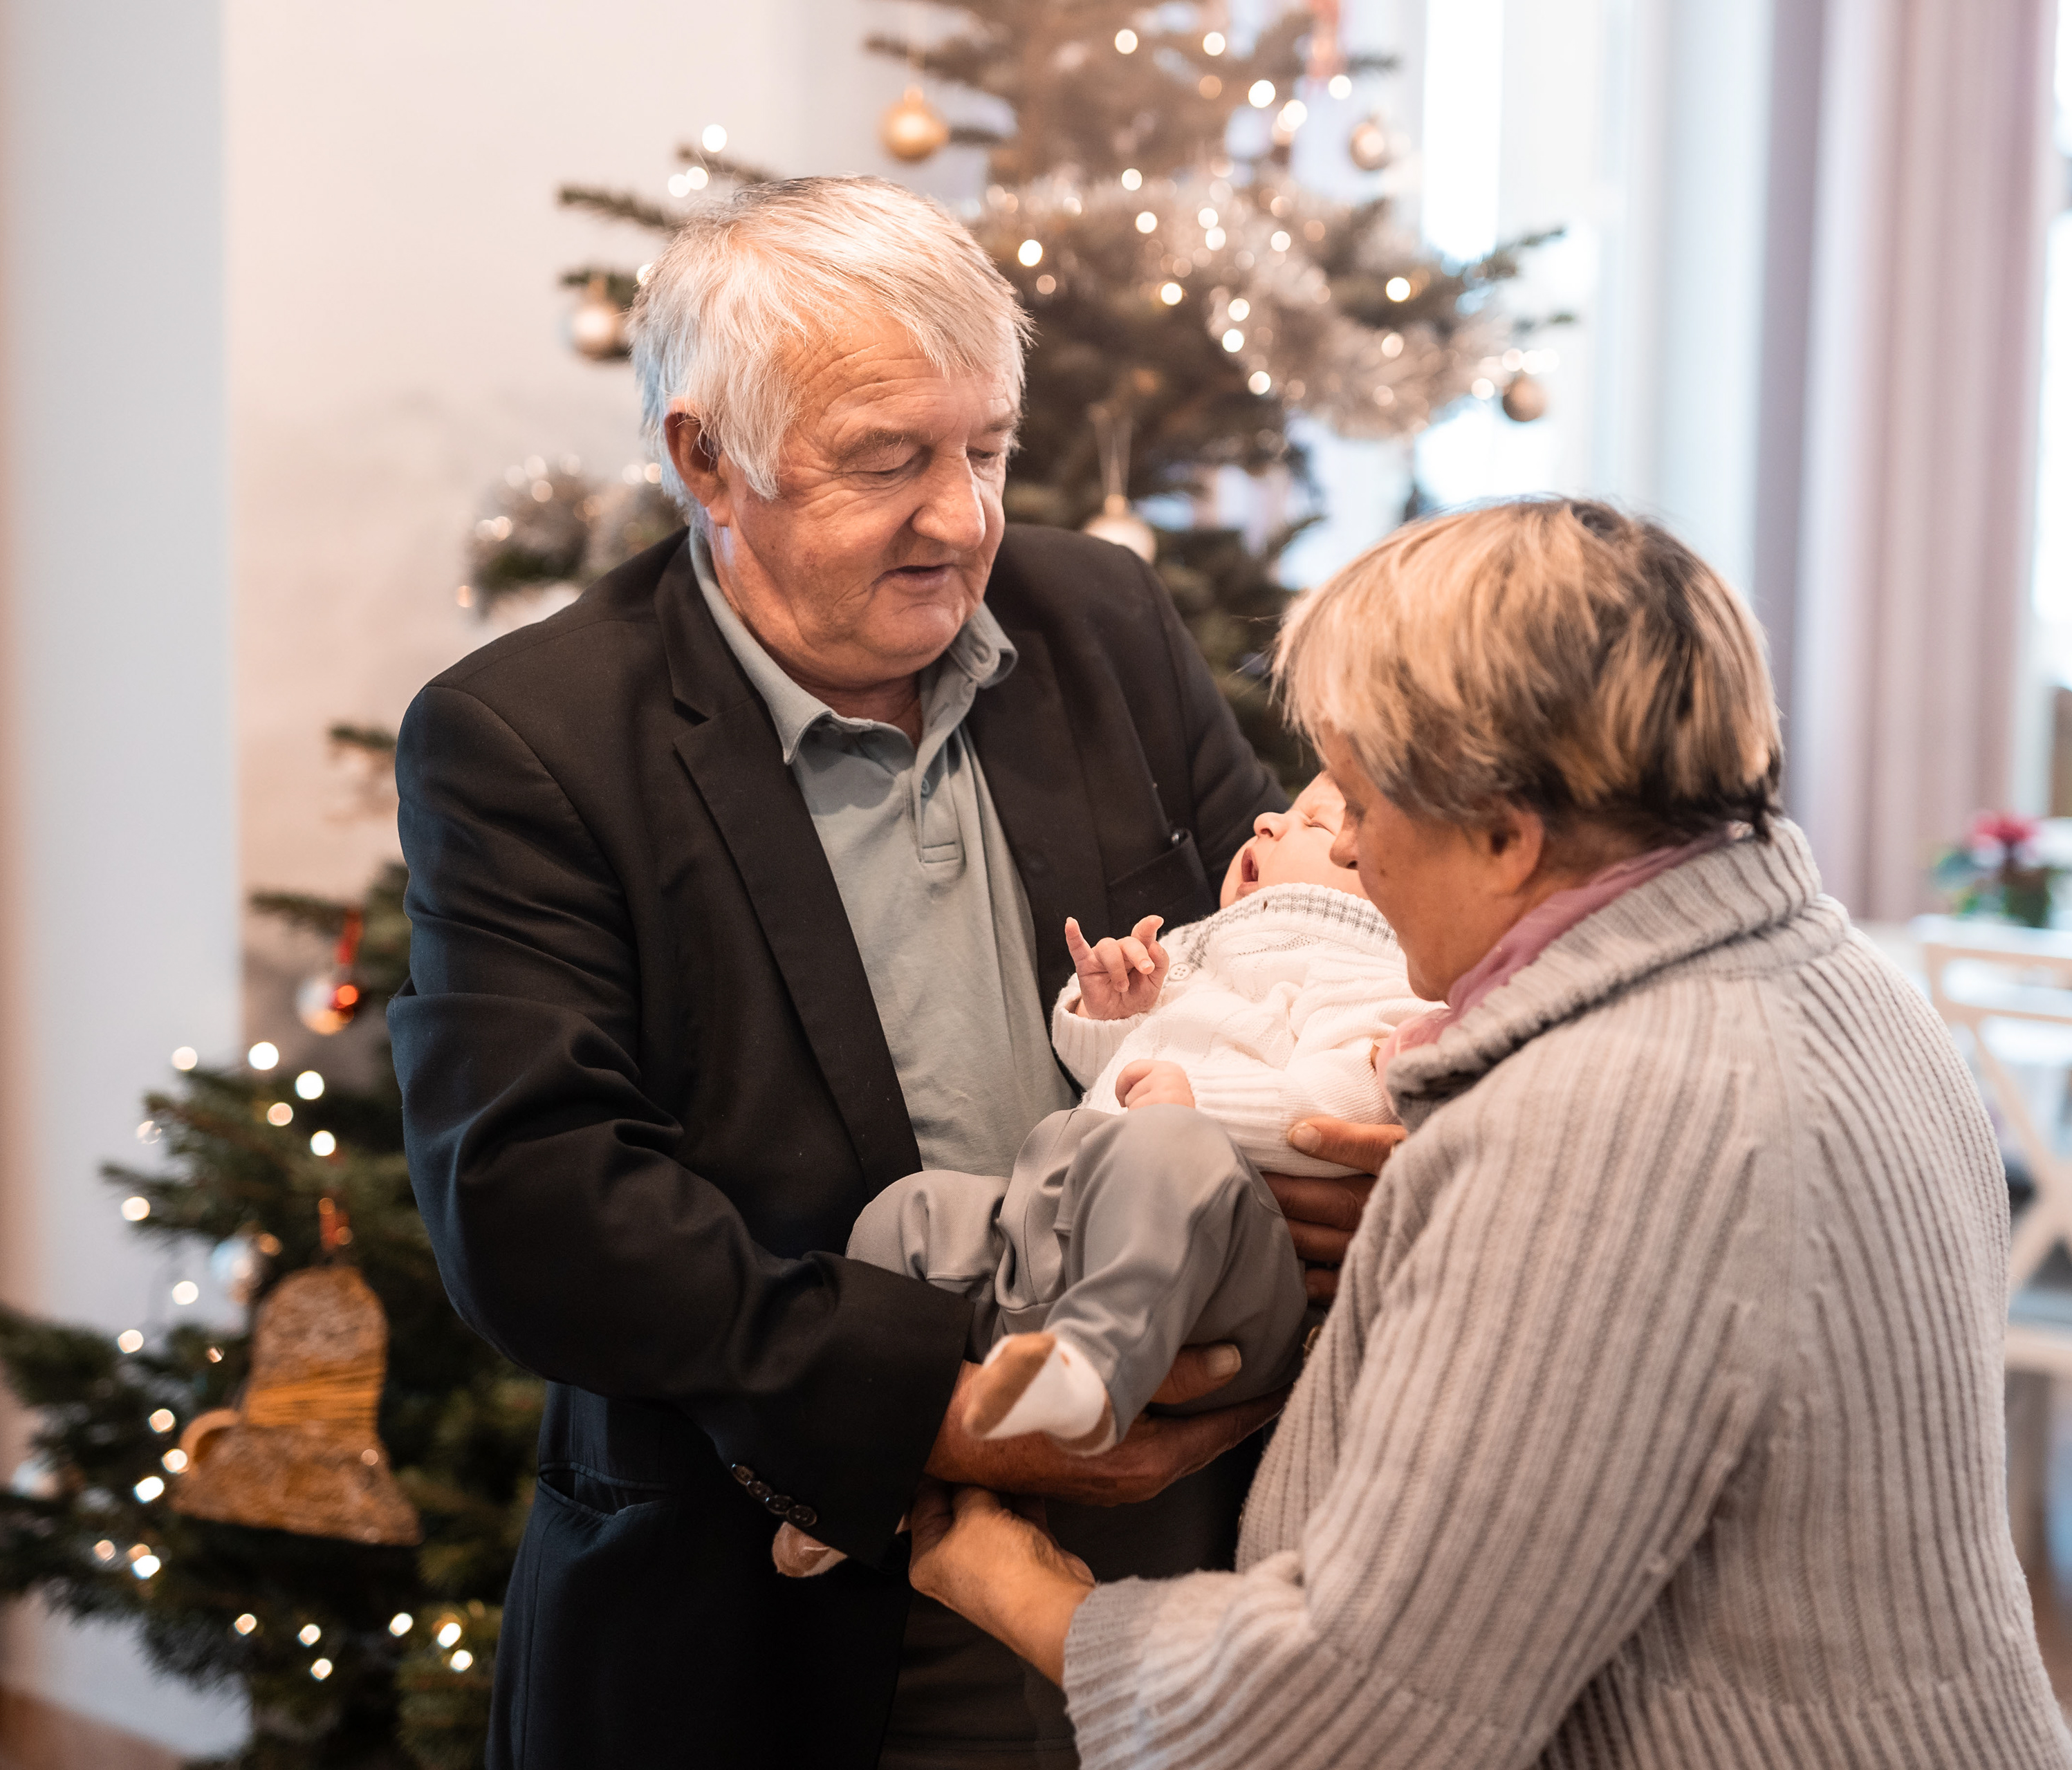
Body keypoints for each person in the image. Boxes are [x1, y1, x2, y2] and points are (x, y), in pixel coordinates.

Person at [389, 176, 1396, 1769]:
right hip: (784, 1593)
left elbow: (1298, 937)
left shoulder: (1103, 617)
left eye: (986, 448)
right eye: (886, 460)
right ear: (706, 459)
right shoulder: (531, 738)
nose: (963, 517)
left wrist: (1352, 1167)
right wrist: (940, 1412)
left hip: (1184, 1561)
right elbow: (537, 1207)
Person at [905, 497, 2072, 1769]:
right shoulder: (1853, 989)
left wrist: (1008, 1581)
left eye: (1361, 811)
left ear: (1508, 836)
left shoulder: (1605, 1120)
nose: (1348, 855)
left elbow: (1354, 1717)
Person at [780, 778, 1423, 1586]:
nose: (1269, 818)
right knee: (907, 1213)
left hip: (1220, 1266)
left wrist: (1199, 1105)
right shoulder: (1206, 947)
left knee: (1171, 1148)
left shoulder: (1376, 971)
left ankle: (1087, 1373)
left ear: (1386, 875)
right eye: (1286, 809)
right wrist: (1112, 1014)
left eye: (1316, 822)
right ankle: (877, 1458)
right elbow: (1113, 1074)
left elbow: (1345, 1106)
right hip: (1070, 1213)